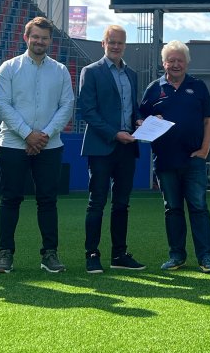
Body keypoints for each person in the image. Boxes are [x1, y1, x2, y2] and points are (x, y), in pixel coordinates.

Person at [0, 17, 74, 274]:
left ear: (51, 40)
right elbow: (1, 105)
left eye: (45, 37)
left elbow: (67, 106)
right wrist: (28, 134)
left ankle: (49, 253)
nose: (40, 41)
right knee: (10, 199)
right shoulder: (8, 68)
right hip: (13, 144)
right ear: (26, 37)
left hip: (50, 146)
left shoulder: (60, 71)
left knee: (48, 200)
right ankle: (5, 253)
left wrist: (44, 135)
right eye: (35, 36)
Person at [140, 40, 210, 273]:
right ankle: (177, 256)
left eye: (180, 60)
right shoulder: (154, 88)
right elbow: (140, 118)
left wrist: (205, 150)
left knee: (199, 207)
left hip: (194, 159)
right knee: (172, 209)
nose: (175, 64)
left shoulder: (199, 86)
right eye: (171, 60)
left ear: (186, 63)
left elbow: (208, 120)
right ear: (164, 63)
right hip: (165, 160)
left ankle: (206, 257)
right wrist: (146, 122)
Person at [79, 25, 146, 273]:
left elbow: (133, 107)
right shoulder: (91, 72)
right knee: (96, 203)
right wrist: (114, 133)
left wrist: (138, 120)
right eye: (112, 42)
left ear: (125, 45)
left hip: (127, 148)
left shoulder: (131, 74)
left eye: (120, 43)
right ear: (103, 43)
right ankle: (92, 254)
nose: (116, 46)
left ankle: (119, 254)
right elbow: (88, 111)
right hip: (101, 147)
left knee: (122, 204)